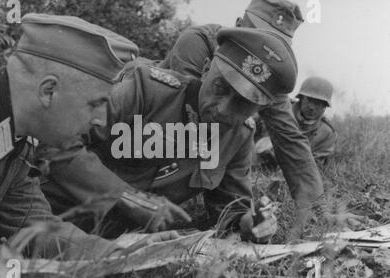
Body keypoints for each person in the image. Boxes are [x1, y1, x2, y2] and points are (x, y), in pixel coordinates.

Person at [0, 13, 175, 266]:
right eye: (96, 104)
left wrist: (121, 254)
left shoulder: (17, 143)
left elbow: (37, 227)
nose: (100, 120)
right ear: (48, 91)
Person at [41, 26, 298, 243]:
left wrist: (249, 224)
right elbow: (58, 142)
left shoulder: (239, 135)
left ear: (259, 109)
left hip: (120, 243)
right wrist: (127, 197)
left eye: (243, 104)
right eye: (220, 88)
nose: (222, 108)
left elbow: (229, 209)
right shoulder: (146, 89)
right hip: (51, 215)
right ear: (207, 68)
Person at [158, 0, 327, 235]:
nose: (261, 53)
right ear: (239, 24)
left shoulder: (265, 76)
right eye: (257, 37)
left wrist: (317, 211)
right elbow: (186, 114)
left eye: (273, 47)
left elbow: (289, 138)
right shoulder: (197, 42)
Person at [254, 77, 337, 167]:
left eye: (318, 103)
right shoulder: (279, 111)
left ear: (325, 106)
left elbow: (314, 165)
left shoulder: (327, 133)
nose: (312, 107)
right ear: (301, 98)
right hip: (254, 160)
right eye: (309, 100)